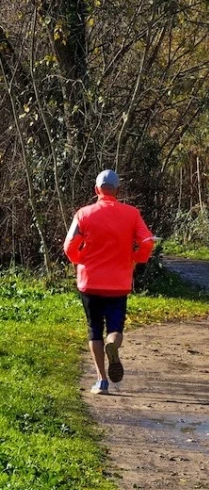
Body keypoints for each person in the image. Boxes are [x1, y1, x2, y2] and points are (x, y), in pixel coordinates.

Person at [64, 169, 155, 395]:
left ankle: (102, 381)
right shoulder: (132, 214)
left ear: (96, 190)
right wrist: (137, 258)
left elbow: (68, 246)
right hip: (119, 282)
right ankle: (113, 343)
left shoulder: (83, 214)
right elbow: (147, 241)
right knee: (115, 328)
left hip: (90, 281)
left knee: (94, 330)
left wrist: (79, 261)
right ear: (118, 190)